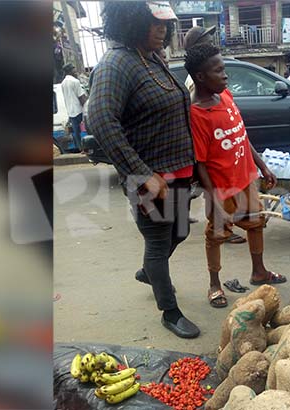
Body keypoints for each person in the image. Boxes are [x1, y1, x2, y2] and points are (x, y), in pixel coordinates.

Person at [87, 1, 200, 339]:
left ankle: (151, 271)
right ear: (130, 23)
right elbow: (100, 119)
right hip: (149, 178)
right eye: (153, 23)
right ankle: (170, 310)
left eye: (165, 24)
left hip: (178, 172)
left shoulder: (151, 58)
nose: (161, 29)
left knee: (180, 232)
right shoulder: (116, 63)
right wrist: (140, 173)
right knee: (157, 241)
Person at [185, 43, 287, 308]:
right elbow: (201, 163)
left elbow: (240, 133)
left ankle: (259, 271)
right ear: (200, 77)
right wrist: (216, 201)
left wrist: (261, 164)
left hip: (246, 178)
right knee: (217, 233)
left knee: (256, 223)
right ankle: (215, 285)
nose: (225, 75)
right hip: (222, 188)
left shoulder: (225, 95)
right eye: (218, 71)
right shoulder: (197, 113)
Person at [182, 25, 247, 243]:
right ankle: (221, 228)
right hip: (213, 156)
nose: (212, 42)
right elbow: (199, 121)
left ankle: (221, 225)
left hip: (224, 152)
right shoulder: (196, 83)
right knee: (214, 196)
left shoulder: (215, 80)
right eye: (207, 40)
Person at [60, 63, 87, 152]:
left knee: (76, 131)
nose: (75, 72)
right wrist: (86, 108)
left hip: (71, 112)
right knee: (85, 129)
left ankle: (81, 149)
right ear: (70, 71)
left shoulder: (63, 83)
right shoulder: (75, 81)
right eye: (74, 70)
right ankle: (87, 147)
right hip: (78, 110)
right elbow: (81, 97)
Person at [182, 25, 216, 94]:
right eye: (209, 43)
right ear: (197, 48)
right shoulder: (196, 83)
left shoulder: (206, 75)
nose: (213, 46)